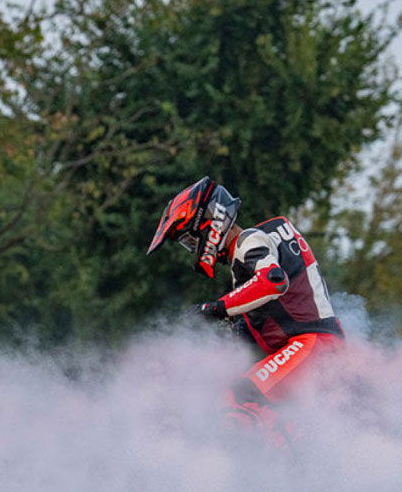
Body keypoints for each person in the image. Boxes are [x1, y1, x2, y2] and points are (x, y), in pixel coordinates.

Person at [146, 176, 343, 445]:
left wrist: (215, 309)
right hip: (315, 345)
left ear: (211, 222)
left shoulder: (248, 241)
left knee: (239, 397)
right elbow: (282, 311)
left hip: (312, 344)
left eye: (190, 240)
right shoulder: (254, 249)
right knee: (243, 398)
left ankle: (291, 463)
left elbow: (274, 281)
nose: (192, 249)